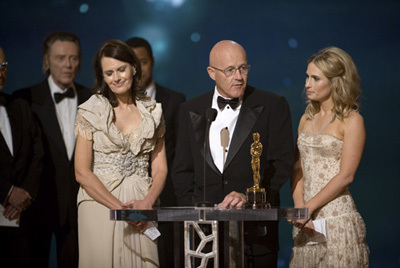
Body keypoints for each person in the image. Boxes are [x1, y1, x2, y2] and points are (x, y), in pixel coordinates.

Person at [172, 40, 294, 267]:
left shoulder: (272, 105)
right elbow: (182, 170)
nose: (238, 76)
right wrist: (197, 211)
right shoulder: (191, 110)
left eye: (243, 68)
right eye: (230, 70)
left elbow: (282, 163)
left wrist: (251, 197)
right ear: (211, 73)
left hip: (256, 236)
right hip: (203, 237)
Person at [74, 39, 167, 268]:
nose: (116, 78)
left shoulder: (153, 111)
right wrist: (119, 209)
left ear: (134, 67)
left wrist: (147, 202)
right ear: (102, 76)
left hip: (141, 203)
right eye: (109, 73)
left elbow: (159, 167)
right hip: (100, 204)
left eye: (121, 69)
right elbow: (81, 172)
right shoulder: (91, 111)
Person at [13, 31, 92, 268]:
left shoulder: (92, 98)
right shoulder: (24, 100)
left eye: (73, 58)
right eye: (60, 58)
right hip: (37, 203)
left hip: (81, 205)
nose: (68, 65)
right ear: (46, 60)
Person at [289, 46, 369, 267]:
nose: (307, 84)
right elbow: (298, 167)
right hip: (306, 222)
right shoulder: (306, 119)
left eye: (315, 78)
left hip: (336, 220)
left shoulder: (352, 120)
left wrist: (309, 208)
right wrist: (300, 209)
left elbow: (346, 175)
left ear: (336, 81)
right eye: (307, 77)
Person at [125, 36, 186, 267]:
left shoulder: (175, 100)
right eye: (132, 63)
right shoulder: (113, 104)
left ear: (152, 62)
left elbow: (180, 153)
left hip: (167, 198)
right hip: (127, 196)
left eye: (143, 62)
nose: (138, 69)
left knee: (164, 257)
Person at [0, 47, 44, 267]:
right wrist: (7, 192)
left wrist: (25, 194)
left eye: (3, 66)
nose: (0, 73)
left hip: (22, 224)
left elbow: (38, 154)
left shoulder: (19, 106)